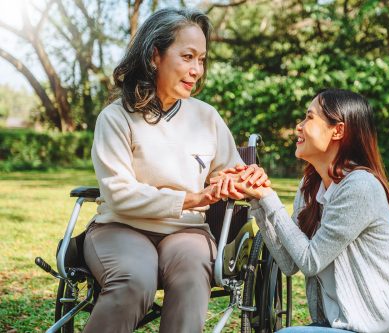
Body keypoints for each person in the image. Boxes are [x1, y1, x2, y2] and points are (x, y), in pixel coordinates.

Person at [83, 8, 266, 333]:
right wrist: (195, 198)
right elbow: (120, 195)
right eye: (187, 57)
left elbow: (231, 171)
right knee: (133, 280)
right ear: (155, 55)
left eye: (202, 59)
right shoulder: (115, 118)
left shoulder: (206, 117)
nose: (197, 70)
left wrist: (245, 178)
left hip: (186, 232)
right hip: (121, 227)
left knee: (193, 273)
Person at [216, 89, 389, 332]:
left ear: (338, 130)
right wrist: (256, 200)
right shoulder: (310, 186)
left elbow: (310, 261)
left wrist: (268, 196)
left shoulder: (359, 186)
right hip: (344, 328)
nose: (299, 126)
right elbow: (289, 263)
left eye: (309, 117)